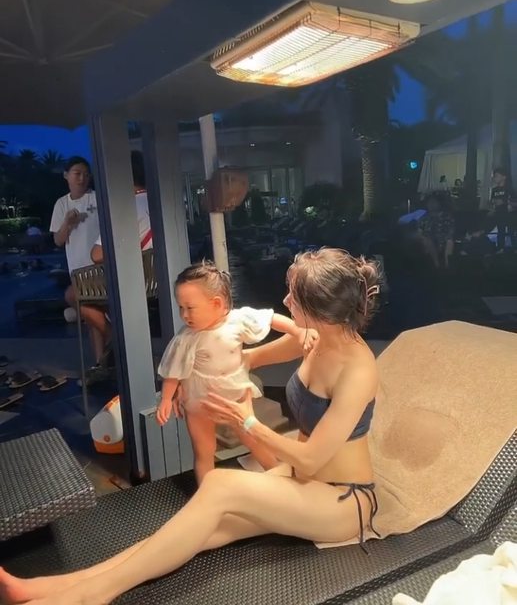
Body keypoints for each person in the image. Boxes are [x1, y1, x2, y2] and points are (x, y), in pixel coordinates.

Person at [0, 248, 381, 605]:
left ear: (318, 309)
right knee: (197, 528)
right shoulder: (316, 340)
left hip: (342, 501)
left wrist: (247, 420)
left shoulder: (357, 369)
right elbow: (247, 360)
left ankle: (87, 597)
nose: (285, 301)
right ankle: (57, 585)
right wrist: (200, 376)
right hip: (301, 483)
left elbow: (312, 458)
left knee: (218, 484)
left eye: (293, 297)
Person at [156, 260, 318, 483]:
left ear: (216, 303)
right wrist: (166, 398)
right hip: (199, 401)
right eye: (180, 308)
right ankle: (207, 491)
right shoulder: (185, 338)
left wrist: (297, 331)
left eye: (190, 308)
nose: (184, 315)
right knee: (204, 450)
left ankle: (278, 476)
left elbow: (271, 318)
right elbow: (172, 371)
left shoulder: (237, 320)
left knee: (253, 438)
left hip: (236, 396)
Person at [81, 151, 152, 382]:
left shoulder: (126, 207)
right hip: (157, 278)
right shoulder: (157, 200)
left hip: (133, 280)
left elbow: (96, 255)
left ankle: (117, 340)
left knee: (74, 295)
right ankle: (110, 353)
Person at [49, 156, 101, 355]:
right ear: (66, 176)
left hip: (99, 266)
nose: (82, 178)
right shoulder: (62, 204)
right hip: (77, 270)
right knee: (91, 317)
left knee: (91, 311)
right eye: (77, 173)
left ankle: (105, 355)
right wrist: (67, 224)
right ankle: (102, 360)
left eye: (86, 174)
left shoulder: (96, 198)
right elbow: (58, 240)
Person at [488, 167, 514, 252]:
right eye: (494, 176)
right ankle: (500, 249)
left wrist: (504, 202)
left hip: (510, 215)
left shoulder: (510, 189)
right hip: (499, 214)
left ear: (504, 177)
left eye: (497, 176)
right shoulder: (494, 190)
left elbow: (513, 202)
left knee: (512, 232)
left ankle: (514, 249)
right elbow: (492, 202)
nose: (495, 178)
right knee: (500, 232)